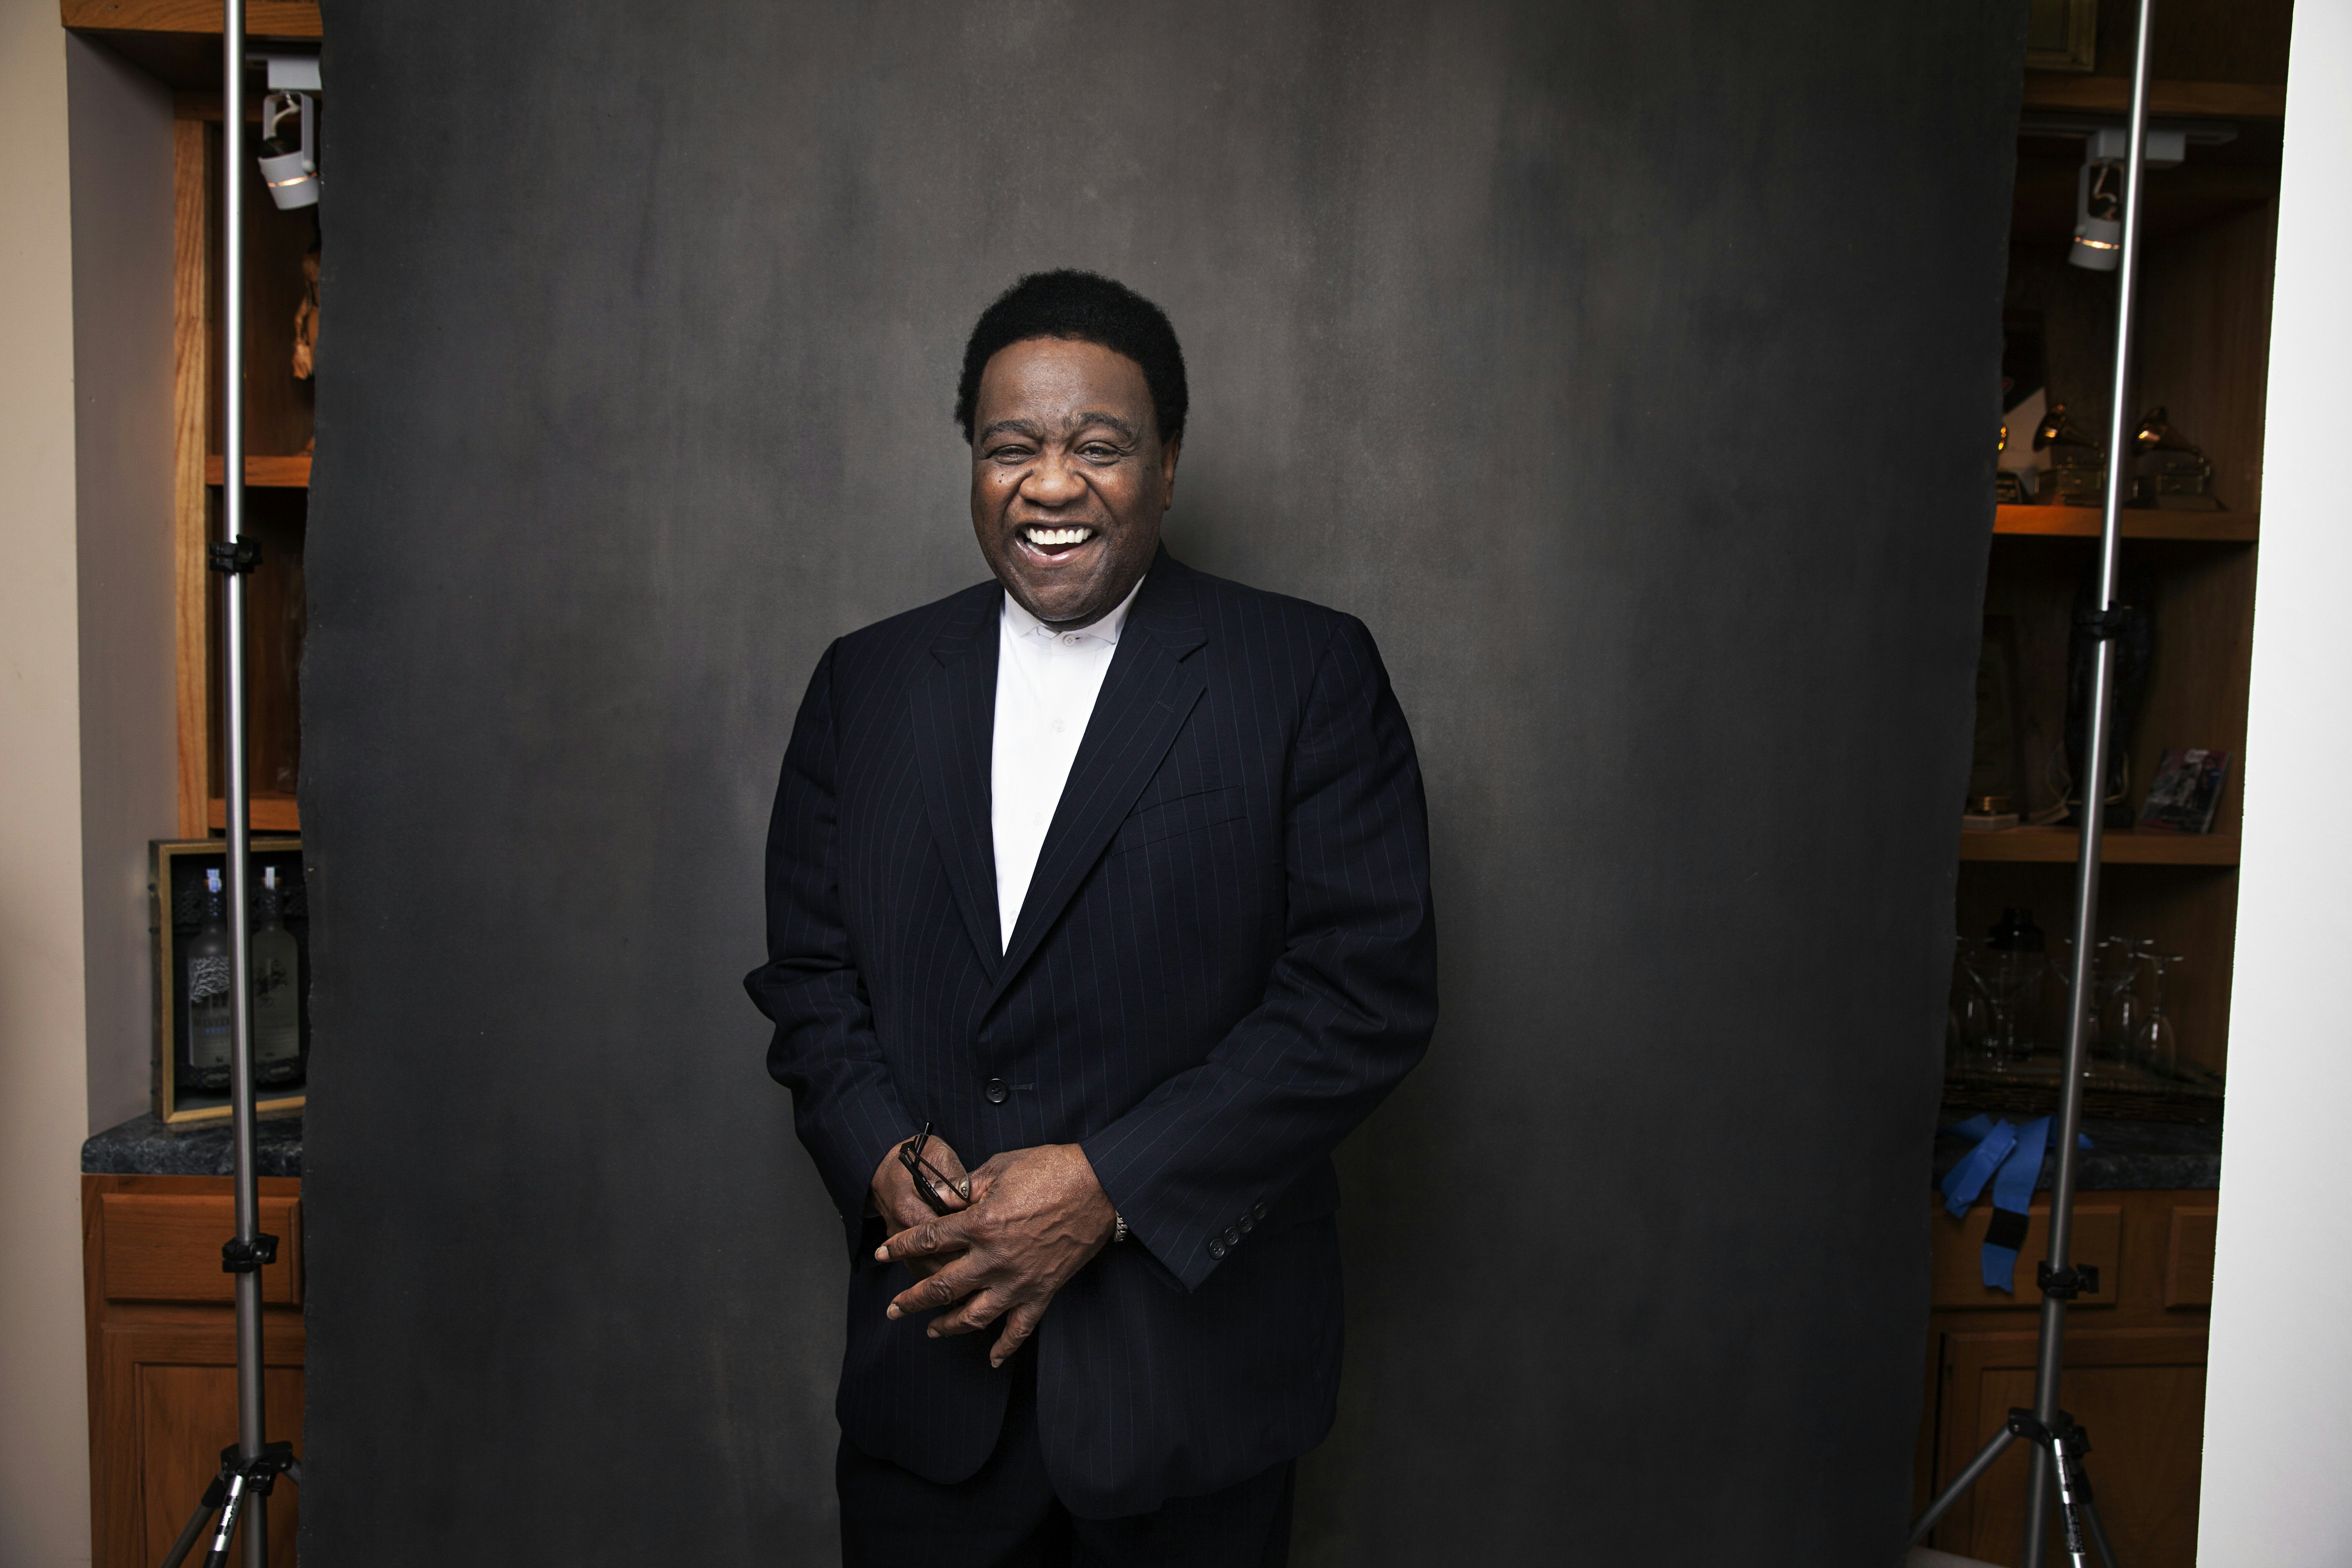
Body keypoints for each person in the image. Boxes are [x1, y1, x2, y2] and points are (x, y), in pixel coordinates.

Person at [745, 269, 1437, 1566]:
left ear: (1168, 467)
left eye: (1097, 447)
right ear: (973, 464)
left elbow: (1362, 995)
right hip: (929, 1386)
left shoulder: (1305, 675)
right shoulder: (867, 684)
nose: (1049, 484)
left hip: (1192, 1389)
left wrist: (1109, 1187)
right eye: (1012, 447)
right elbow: (808, 975)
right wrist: (882, 1153)